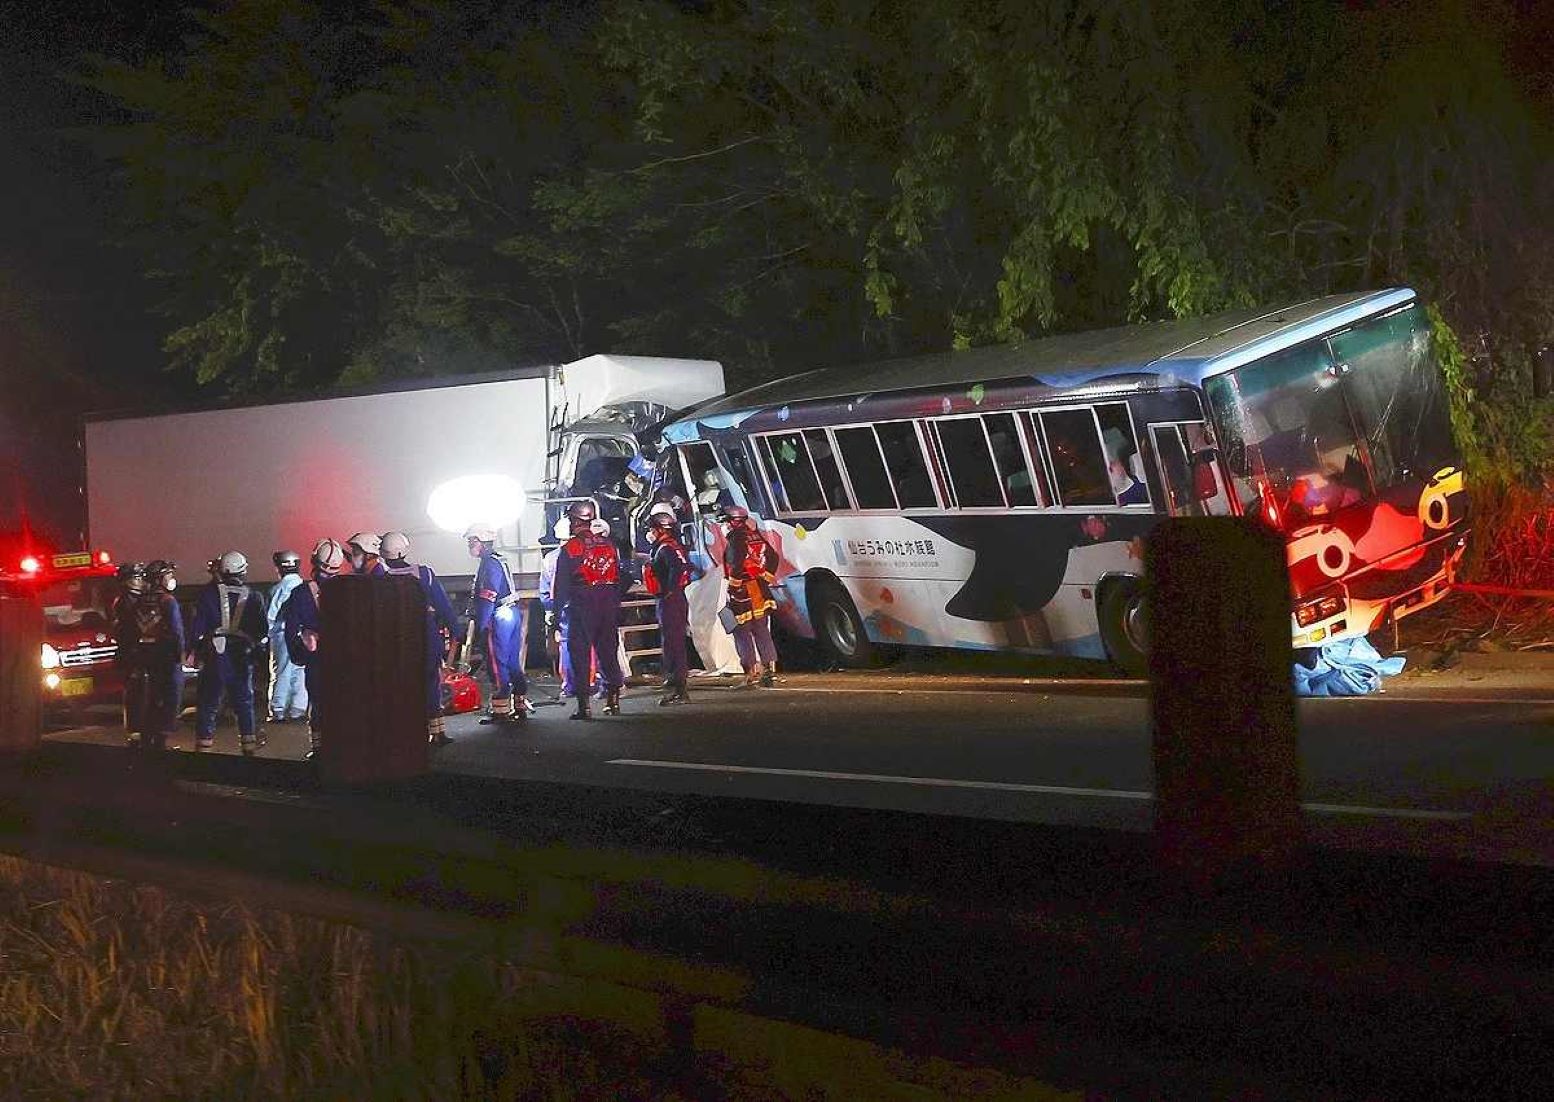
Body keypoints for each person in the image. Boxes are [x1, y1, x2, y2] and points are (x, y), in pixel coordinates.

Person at [381, 530, 460, 745]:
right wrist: (454, 629)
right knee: (430, 681)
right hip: (424, 634)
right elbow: (442, 604)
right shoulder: (423, 573)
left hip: (395, 638)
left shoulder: (380, 577)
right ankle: (437, 732)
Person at [187, 550, 268, 755]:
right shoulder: (254, 597)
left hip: (215, 655)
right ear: (242, 571)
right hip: (241, 657)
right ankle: (248, 747)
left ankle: (203, 747)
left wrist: (193, 651)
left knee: (208, 702)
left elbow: (197, 628)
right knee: (244, 703)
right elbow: (261, 631)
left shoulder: (208, 594)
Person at [552, 501, 626, 719]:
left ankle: (583, 706)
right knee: (608, 652)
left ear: (575, 521)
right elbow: (620, 576)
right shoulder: (609, 544)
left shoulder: (570, 549)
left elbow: (561, 586)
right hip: (608, 603)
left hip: (582, 605)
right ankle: (613, 701)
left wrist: (555, 616)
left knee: (580, 655)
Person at [282, 538, 346, 760]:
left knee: (318, 703)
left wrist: (299, 653)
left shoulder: (301, 593)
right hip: (345, 657)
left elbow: (290, 628)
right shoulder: (350, 590)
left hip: (317, 657)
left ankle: (319, 749)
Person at [464, 524, 534, 724]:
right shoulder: (497, 560)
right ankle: (519, 704)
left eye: (472, 540)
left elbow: (488, 596)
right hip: (511, 613)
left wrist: (482, 624)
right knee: (512, 661)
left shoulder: (489, 564)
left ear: (483, 541)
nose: (470, 544)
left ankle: (501, 709)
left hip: (498, 616)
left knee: (497, 662)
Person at [721, 505, 780, 688]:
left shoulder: (736, 539)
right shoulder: (755, 535)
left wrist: (733, 587)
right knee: (761, 630)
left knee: (742, 631)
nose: (724, 526)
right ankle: (769, 671)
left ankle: (749, 674)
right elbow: (773, 557)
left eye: (725, 521)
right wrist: (766, 578)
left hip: (743, 593)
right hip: (759, 590)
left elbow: (736, 565)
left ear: (733, 521)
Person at [644, 507, 694, 705]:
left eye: (653, 529)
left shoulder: (665, 549)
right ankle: (675, 682)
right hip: (675, 598)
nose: (650, 533)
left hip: (670, 600)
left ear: (661, 529)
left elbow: (677, 567)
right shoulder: (674, 546)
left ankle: (679, 689)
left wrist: (670, 590)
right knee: (673, 641)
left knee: (673, 643)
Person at [266, 550, 308, 724]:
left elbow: (271, 615)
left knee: (280, 671)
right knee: (300, 671)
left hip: (282, 634)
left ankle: (278, 709)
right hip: (304, 634)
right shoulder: (305, 586)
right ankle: (299, 708)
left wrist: (265, 635)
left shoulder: (278, 588)